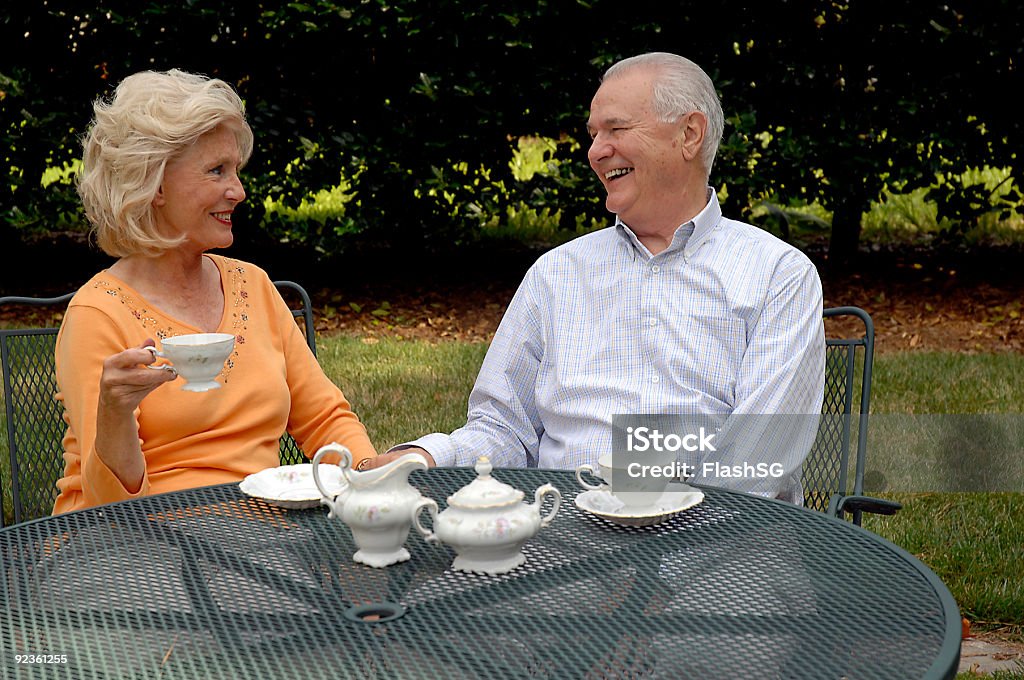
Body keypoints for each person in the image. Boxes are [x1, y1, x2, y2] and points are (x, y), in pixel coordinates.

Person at [366, 52, 825, 502]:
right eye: (594, 134)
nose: (596, 151)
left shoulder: (777, 276)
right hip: (563, 548)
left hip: (715, 558)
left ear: (689, 134)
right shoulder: (557, 274)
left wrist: (647, 523)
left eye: (617, 129)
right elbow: (505, 430)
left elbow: (755, 463)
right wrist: (426, 456)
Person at [52, 69, 377, 514]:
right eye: (216, 171)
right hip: (130, 549)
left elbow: (325, 418)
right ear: (155, 182)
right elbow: (109, 507)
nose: (238, 191)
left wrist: (371, 476)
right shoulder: (98, 313)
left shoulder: (254, 286)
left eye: (236, 171)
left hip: (260, 540)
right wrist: (114, 412)